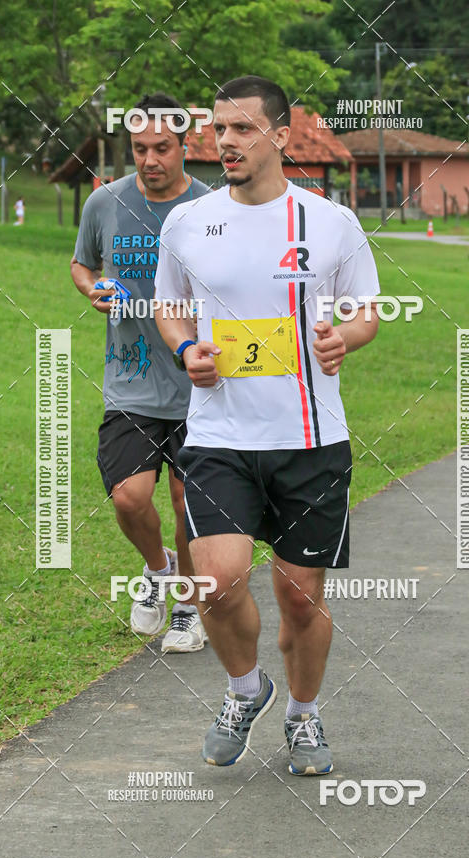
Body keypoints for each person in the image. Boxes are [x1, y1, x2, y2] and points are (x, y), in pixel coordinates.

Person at [154, 75, 380, 775]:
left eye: (242, 129)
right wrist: (187, 348)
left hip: (310, 441)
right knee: (215, 584)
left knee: (300, 600)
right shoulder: (187, 221)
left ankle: (304, 715)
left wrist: (348, 337)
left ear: (281, 136)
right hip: (220, 436)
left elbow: (366, 308)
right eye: (218, 129)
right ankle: (245, 690)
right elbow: (169, 307)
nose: (224, 142)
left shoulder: (330, 222)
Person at [70, 92, 211, 651]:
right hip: (129, 380)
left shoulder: (210, 209)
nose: (149, 159)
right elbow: (83, 264)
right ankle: (159, 568)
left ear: (183, 147)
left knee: (186, 501)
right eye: (139, 149)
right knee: (129, 497)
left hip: (200, 385)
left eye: (161, 148)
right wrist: (93, 289)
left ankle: (187, 605)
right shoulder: (104, 204)